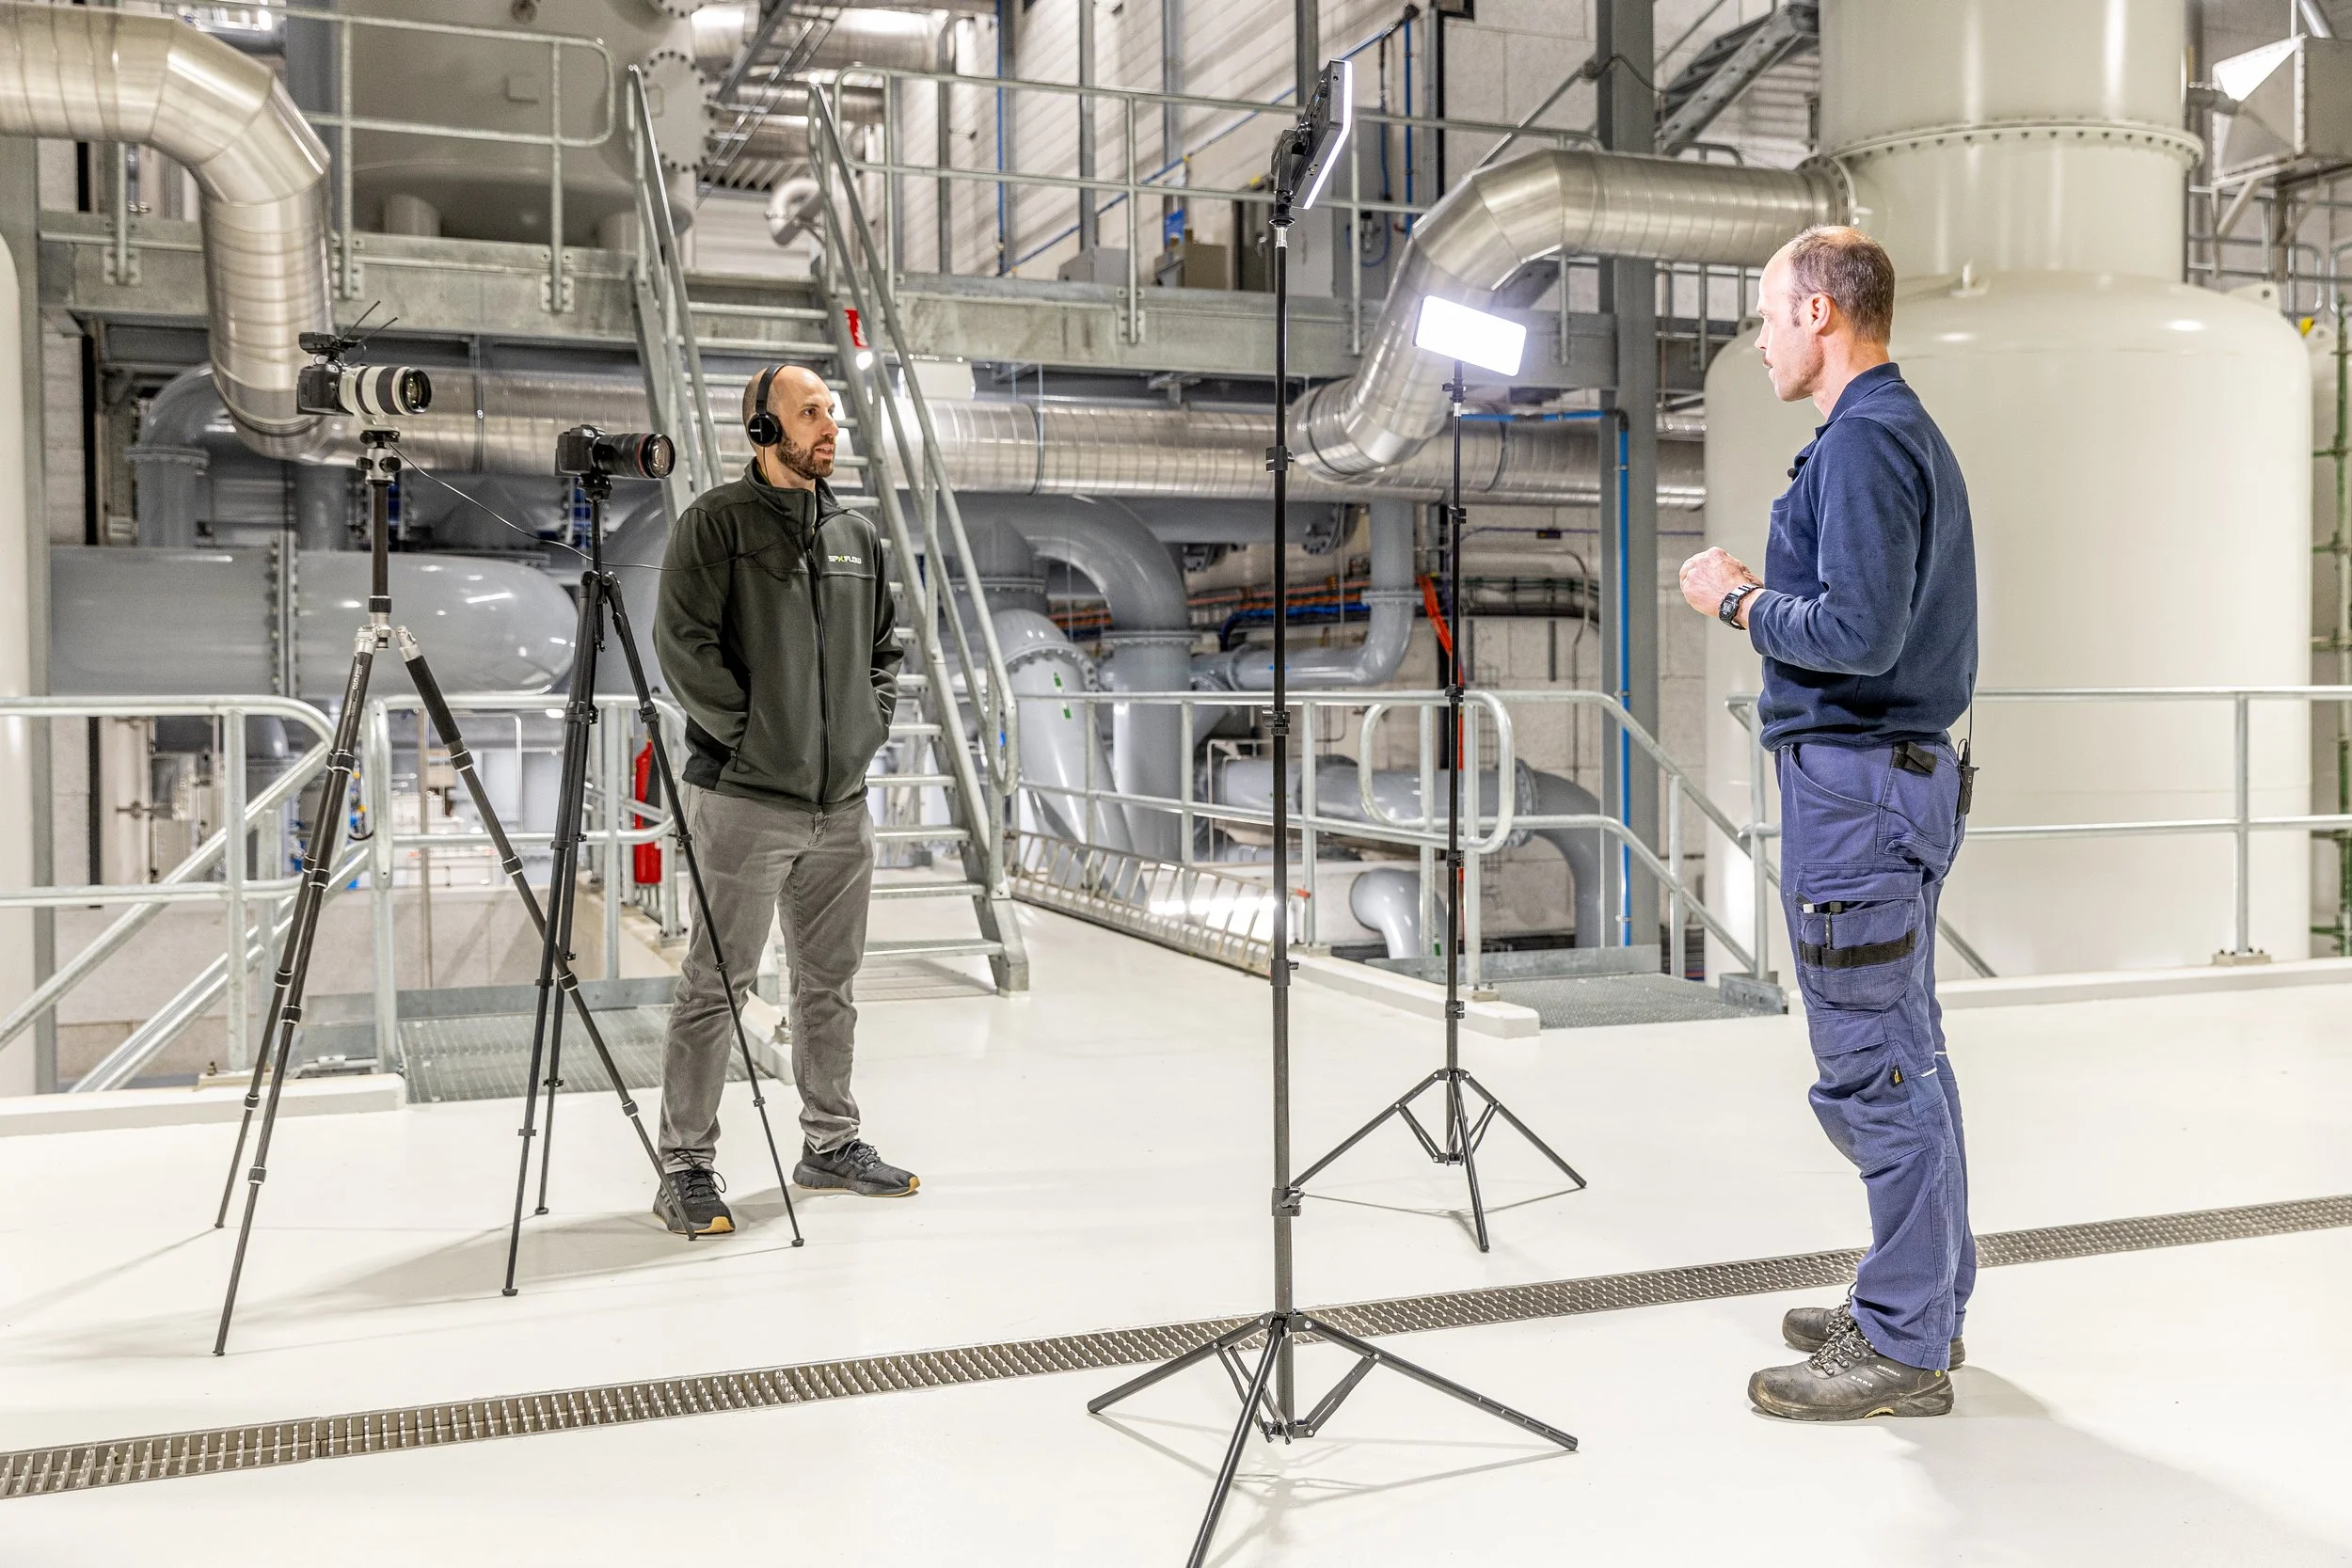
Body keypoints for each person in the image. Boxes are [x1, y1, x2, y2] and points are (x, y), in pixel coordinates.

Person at [1678, 226, 1979, 1420]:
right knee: (1907, 1044)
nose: (1756, 342)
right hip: (1880, 781)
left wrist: (1738, 600)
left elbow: (1857, 636)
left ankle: (1904, 1340)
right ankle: (1922, 1296)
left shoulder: (1863, 443)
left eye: (1765, 316)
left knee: (1875, 1060)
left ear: (1818, 313)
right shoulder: (1884, 433)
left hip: (1858, 791)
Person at [649, 362, 917, 1238]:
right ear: (764, 431)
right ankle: (685, 1166)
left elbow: (886, 648)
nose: (828, 427)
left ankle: (830, 1143)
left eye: (830, 413)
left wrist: (865, 728)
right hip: (744, 799)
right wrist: (757, 735)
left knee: (828, 983)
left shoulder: (856, 536)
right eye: (810, 414)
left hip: (841, 805)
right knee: (716, 984)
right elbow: (682, 646)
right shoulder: (715, 526)